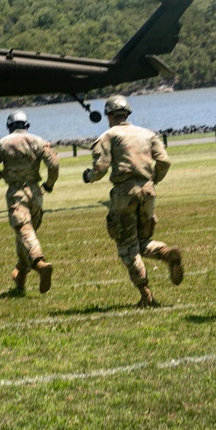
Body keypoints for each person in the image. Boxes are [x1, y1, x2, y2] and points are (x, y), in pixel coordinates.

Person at [82, 95, 184, 307]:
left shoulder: (109, 135)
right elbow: (164, 161)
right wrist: (153, 179)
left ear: (109, 116)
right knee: (142, 240)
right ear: (127, 114)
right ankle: (166, 253)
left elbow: (100, 168)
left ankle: (145, 295)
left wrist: (88, 176)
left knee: (127, 245)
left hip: (124, 193)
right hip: (148, 190)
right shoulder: (147, 133)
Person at [0, 111, 59, 293]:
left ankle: (40, 264)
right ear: (27, 125)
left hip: (16, 192)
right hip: (36, 193)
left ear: (9, 126)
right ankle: (20, 281)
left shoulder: (2, 143)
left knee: (24, 232)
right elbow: (54, 164)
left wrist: (1, 175)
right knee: (24, 235)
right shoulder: (39, 141)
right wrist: (48, 184)